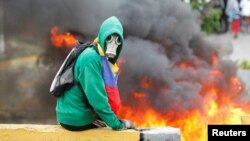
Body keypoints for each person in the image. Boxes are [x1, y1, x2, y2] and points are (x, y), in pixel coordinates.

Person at [56, 16, 135, 131]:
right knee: (107, 124)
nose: (113, 45)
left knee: (105, 120)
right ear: (103, 37)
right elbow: (97, 99)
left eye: (117, 40)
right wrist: (117, 125)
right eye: (109, 39)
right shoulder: (91, 59)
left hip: (70, 114)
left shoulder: (96, 53)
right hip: (75, 119)